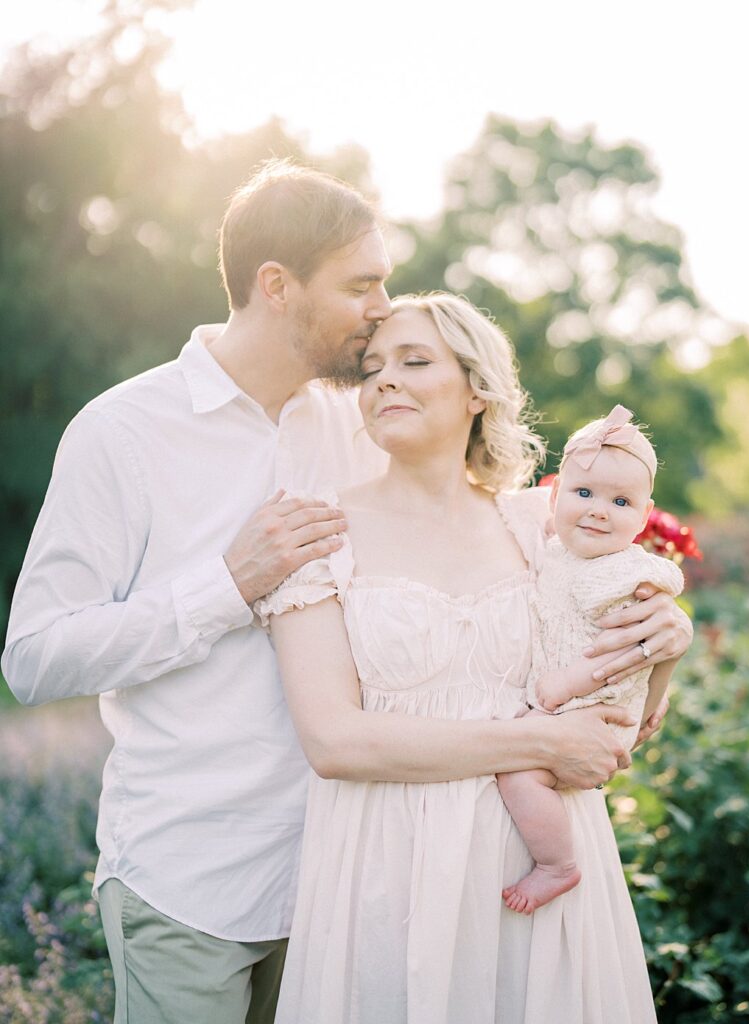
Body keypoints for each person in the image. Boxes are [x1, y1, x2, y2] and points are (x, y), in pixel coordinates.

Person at [1, 162, 689, 1024]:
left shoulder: (363, 418)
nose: (381, 307)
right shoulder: (124, 433)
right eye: (363, 284)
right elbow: (33, 658)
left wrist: (652, 618)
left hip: (366, 876)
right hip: (195, 873)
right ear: (278, 287)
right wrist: (227, 584)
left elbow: (487, 538)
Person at [257, 293, 689, 1024]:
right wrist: (540, 740)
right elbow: (333, 740)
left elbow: (620, 722)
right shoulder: (321, 530)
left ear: (478, 391)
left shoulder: (539, 528)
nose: (384, 380)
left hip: (534, 863)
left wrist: (664, 642)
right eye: (372, 368)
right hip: (389, 869)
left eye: (414, 361)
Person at [498, 405, 684, 916]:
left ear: (644, 517)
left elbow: (627, 652)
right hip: (568, 698)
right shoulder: (557, 553)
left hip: (600, 706)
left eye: (620, 501)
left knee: (517, 774)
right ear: (555, 496)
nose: (599, 510)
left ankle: (557, 864)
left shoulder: (623, 577)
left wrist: (563, 685)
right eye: (583, 494)